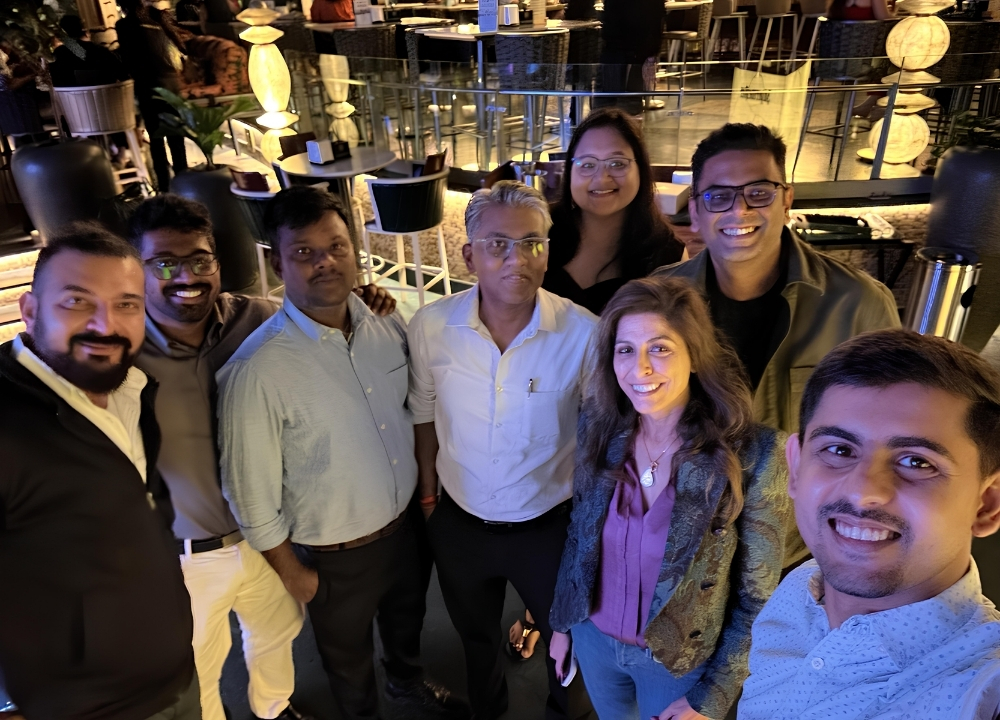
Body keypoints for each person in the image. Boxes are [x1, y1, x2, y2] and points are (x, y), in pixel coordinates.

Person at [217, 186, 466, 720]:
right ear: (279, 262)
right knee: (346, 661)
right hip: (332, 556)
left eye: (336, 246)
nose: (325, 261)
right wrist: (291, 572)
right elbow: (249, 495)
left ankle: (405, 681)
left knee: (408, 622)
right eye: (304, 252)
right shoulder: (256, 371)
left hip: (404, 529)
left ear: (355, 248)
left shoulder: (386, 321)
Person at [548, 276, 790, 720]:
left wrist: (712, 696)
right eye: (626, 350)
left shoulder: (753, 455)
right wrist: (562, 624)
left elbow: (758, 597)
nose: (639, 369)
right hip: (594, 641)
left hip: (678, 663)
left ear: (694, 356)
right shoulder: (599, 430)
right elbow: (579, 535)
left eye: (659, 348)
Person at [739, 329, 1000, 719]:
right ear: (795, 469)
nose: (863, 493)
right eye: (839, 450)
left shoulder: (981, 688)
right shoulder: (799, 590)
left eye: (917, 462)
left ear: (987, 504)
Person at [409, 181, 598, 720]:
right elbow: (422, 411)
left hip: (548, 528)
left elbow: (598, 435)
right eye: (498, 244)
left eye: (533, 243)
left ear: (547, 251)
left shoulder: (584, 334)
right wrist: (429, 499)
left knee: (569, 647)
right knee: (475, 639)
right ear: (469, 255)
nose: (517, 258)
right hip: (460, 524)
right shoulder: (430, 328)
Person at [0, 223, 197, 720]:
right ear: (29, 311)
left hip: (173, 677)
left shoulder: (132, 389)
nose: (105, 324)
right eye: (77, 301)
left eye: (127, 304)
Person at [129, 194, 311, 720]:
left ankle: (274, 710)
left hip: (266, 538)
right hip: (181, 557)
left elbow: (324, 327)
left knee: (278, 633)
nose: (186, 275)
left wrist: (365, 299)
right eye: (164, 263)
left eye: (199, 260)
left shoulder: (258, 318)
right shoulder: (122, 345)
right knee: (196, 667)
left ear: (217, 261)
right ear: (136, 268)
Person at [654, 123, 900, 435]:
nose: (740, 209)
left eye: (758, 193)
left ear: (786, 202)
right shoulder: (661, 299)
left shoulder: (858, 305)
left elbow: (889, 428)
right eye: (718, 196)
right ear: (695, 211)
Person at [543, 108, 684, 315]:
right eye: (588, 164)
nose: (601, 178)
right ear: (570, 172)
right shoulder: (540, 230)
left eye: (617, 163)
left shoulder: (667, 255)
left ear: (641, 170)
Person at [116, 0, 189, 191]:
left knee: (156, 138)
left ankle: (163, 186)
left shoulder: (124, 25)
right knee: (175, 135)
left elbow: (128, 59)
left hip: (148, 84)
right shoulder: (158, 20)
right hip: (171, 83)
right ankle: (182, 179)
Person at [50, 15, 127, 87]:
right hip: (107, 97)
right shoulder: (100, 52)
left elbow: (58, 81)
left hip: (74, 98)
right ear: (82, 27)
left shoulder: (61, 53)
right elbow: (123, 75)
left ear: (64, 31)